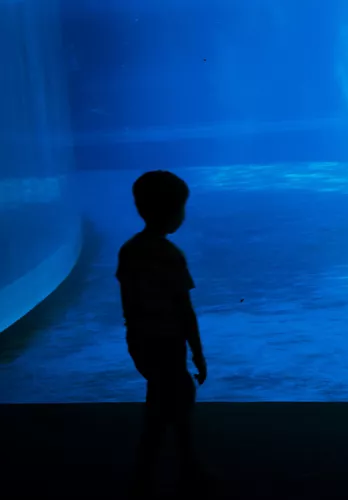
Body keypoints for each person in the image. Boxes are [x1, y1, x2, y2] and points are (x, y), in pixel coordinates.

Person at [115, 170, 208, 494]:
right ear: (175, 211)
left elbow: (129, 303)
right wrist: (198, 353)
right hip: (168, 341)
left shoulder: (129, 250)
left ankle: (166, 469)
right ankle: (178, 470)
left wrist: (134, 340)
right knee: (174, 400)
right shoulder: (170, 255)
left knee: (162, 399)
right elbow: (185, 309)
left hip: (141, 340)